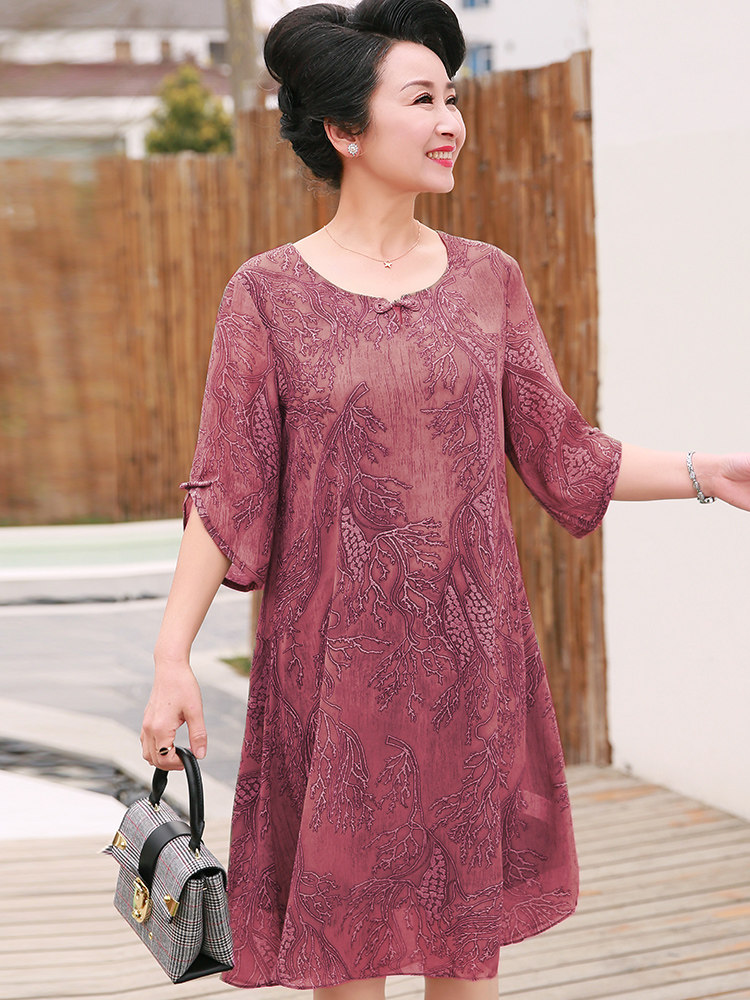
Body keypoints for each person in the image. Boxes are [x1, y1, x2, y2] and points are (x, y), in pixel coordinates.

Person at [140, 1, 750, 997]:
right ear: (345, 130)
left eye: (452, 99)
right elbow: (226, 489)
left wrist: (705, 472)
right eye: (421, 100)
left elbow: (564, 451)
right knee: (348, 967)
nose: (449, 122)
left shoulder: (488, 282)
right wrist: (172, 657)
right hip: (333, 680)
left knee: (466, 964)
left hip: (471, 674)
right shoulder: (266, 295)